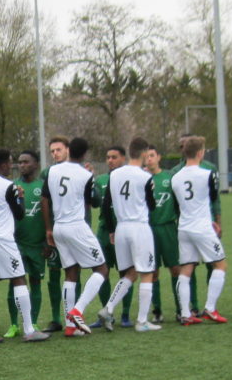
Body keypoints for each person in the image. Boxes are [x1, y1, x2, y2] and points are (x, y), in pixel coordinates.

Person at [0, 148, 50, 344]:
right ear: (2, 164)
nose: (12, 166)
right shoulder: (9, 186)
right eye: (10, 162)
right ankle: (29, 329)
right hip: (2, 238)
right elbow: (19, 214)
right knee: (19, 278)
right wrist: (21, 197)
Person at [41, 137, 107, 336]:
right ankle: (77, 311)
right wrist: (91, 177)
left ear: (69, 151)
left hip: (59, 226)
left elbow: (45, 197)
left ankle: (70, 328)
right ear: (85, 154)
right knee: (102, 269)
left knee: (71, 273)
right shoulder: (84, 174)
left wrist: (48, 228)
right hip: (77, 225)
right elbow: (95, 201)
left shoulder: (52, 171)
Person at [96, 137, 160, 332]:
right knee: (147, 273)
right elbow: (152, 206)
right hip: (139, 227)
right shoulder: (145, 177)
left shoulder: (114, 175)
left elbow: (106, 206)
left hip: (121, 228)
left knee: (130, 273)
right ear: (143, 154)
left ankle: (108, 308)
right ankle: (142, 321)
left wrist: (112, 230)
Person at [171, 136, 229, 325]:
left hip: (184, 227)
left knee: (186, 269)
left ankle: (186, 313)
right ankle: (210, 309)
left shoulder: (175, 177)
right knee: (220, 265)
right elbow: (212, 197)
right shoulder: (207, 174)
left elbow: (177, 205)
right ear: (200, 153)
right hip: (202, 227)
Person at [4, 150, 48, 338]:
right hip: (16, 244)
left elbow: (49, 214)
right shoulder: (12, 187)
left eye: (26, 162)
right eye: (19, 162)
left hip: (38, 244)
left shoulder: (43, 187)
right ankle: (14, 324)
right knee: (14, 283)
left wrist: (48, 240)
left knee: (36, 282)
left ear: (36, 164)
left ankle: (33, 320)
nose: (22, 165)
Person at [91, 145, 133, 329]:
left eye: (114, 157)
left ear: (123, 158)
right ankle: (106, 313)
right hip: (103, 231)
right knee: (101, 272)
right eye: (108, 157)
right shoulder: (101, 180)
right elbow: (94, 203)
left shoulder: (131, 177)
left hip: (123, 230)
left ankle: (125, 314)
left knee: (126, 273)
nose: (110, 160)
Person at [144, 144, 185, 324]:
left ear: (159, 157)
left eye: (152, 155)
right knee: (152, 271)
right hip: (149, 229)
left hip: (168, 228)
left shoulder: (170, 177)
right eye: (147, 156)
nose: (149, 159)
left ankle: (180, 308)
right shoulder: (142, 178)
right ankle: (157, 311)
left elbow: (179, 203)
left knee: (175, 268)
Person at [41, 137, 75, 332]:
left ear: (68, 150)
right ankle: (56, 318)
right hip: (56, 230)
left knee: (74, 272)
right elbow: (44, 201)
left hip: (75, 229)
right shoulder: (48, 172)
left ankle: (75, 314)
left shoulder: (78, 170)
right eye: (52, 151)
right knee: (54, 273)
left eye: (58, 150)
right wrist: (48, 228)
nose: (55, 154)